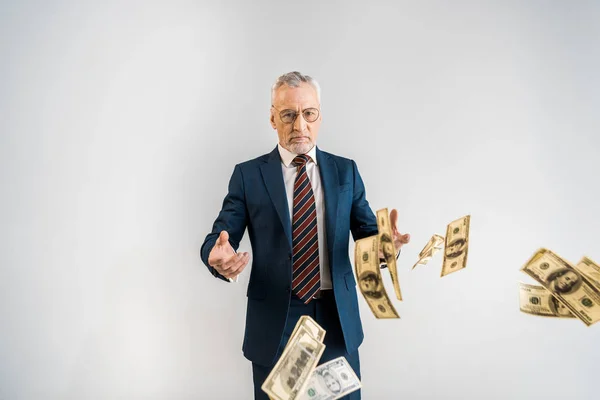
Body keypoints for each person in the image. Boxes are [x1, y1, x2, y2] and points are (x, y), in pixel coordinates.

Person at [200, 71, 410, 399]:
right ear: (273, 118)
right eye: (288, 115)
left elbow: (368, 234)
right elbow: (221, 237)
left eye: (308, 114)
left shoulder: (346, 171)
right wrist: (216, 256)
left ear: (320, 116)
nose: (300, 125)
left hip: (336, 319)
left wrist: (387, 248)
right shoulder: (248, 175)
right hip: (277, 322)